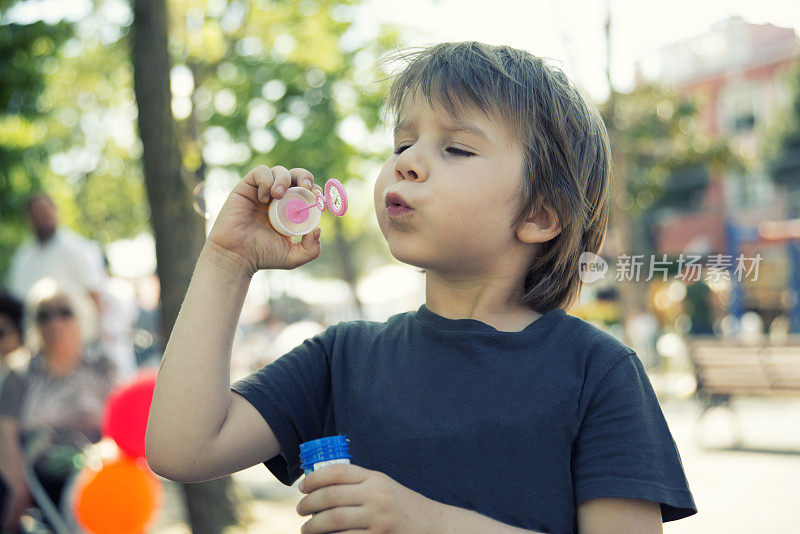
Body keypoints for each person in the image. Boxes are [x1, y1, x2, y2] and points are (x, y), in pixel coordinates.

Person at [145, 42, 697, 533]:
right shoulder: (343, 359)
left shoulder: (596, 373)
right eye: (402, 143)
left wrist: (419, 520)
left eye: (456, 148)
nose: (407, 162)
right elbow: (182, 448)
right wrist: (227, 261)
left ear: (540, 213)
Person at [0, 278, 115, 531]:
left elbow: (117, 427)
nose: (54, 323)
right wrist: (19, 488)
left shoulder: (101, 366)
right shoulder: (19, 373)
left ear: (81, 315)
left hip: (97, 473)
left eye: (64, 312)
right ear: (34, 323)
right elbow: (5, 435)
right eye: (44, 315)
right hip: (39, 480)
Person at [6, 193, 107, 311]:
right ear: (28, 218)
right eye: (36, 215)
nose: (41, 219)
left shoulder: (78, 248)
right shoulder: (22, 256)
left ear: (56, 212)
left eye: (45, 214)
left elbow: (94, 295)